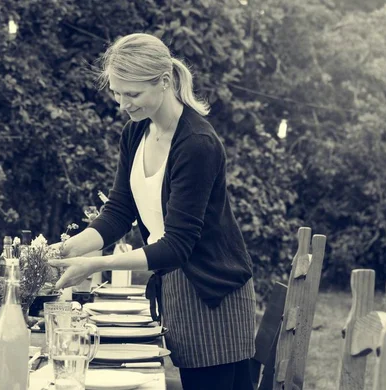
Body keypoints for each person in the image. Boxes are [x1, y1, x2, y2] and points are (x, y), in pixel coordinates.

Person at [49, 32, 256, 390]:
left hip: (214, 293)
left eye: (132, 94)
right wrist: (71, 248)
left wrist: (96, 263)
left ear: (163, 82)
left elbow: (177, 245)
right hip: (176, 283)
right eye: (116, 92)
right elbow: (119, 211)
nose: (123, 103)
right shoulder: (135, 133)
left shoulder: (197, 144)